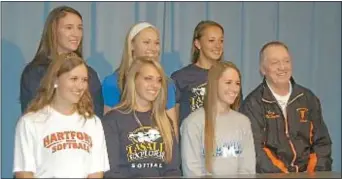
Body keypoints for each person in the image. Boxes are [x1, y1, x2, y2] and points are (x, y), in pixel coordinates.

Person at [240, 41, 333, 173]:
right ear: (263, 69)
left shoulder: (307, 98)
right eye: (274, 62)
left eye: (286, 61)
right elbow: (255, 151)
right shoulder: (252, 104)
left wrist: (314, 175)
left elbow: (322, 143)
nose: (282, 67)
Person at [13, 52, 110, 178]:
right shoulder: (30, 122)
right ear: (56, 80)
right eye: (74, 79)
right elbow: (24, 172)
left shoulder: (92, 122)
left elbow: (96, 172)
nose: (80, 86)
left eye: (84, 80)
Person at [102, 57, 181, 178]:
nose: (155, 85)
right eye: (148, 79)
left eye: (159, 80)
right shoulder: (113, 120)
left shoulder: (165, 121)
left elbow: (173, 170)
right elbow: (112, 172)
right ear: (134, 80)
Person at [20, 6, 104, 118]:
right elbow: (33, 115)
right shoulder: (35, 72)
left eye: (79, 28)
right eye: (69, 28)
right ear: (54, 31)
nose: (76, 34)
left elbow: (96, 115)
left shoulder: (90, 74)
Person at [102, 22, 178, 135]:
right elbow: (108, 129)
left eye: (156, 43)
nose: (153, 48)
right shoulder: (113, 83)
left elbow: (173, 132)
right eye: (146, 42)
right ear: (131, 44)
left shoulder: (167, 84)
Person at [181, 61, 255, 176]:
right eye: (228, 82)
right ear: (214, 84)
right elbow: (192, 172)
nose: (234, 88)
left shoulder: (243, 122)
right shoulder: (193, 123)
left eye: (237, 83)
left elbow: (247, 170)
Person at [171, 20, 225, 125]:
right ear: (198, 44)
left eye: (221, 40)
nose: (218, 46)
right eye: (211, 40)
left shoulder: (228, 76)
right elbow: (173, 122)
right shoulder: (180, 77)